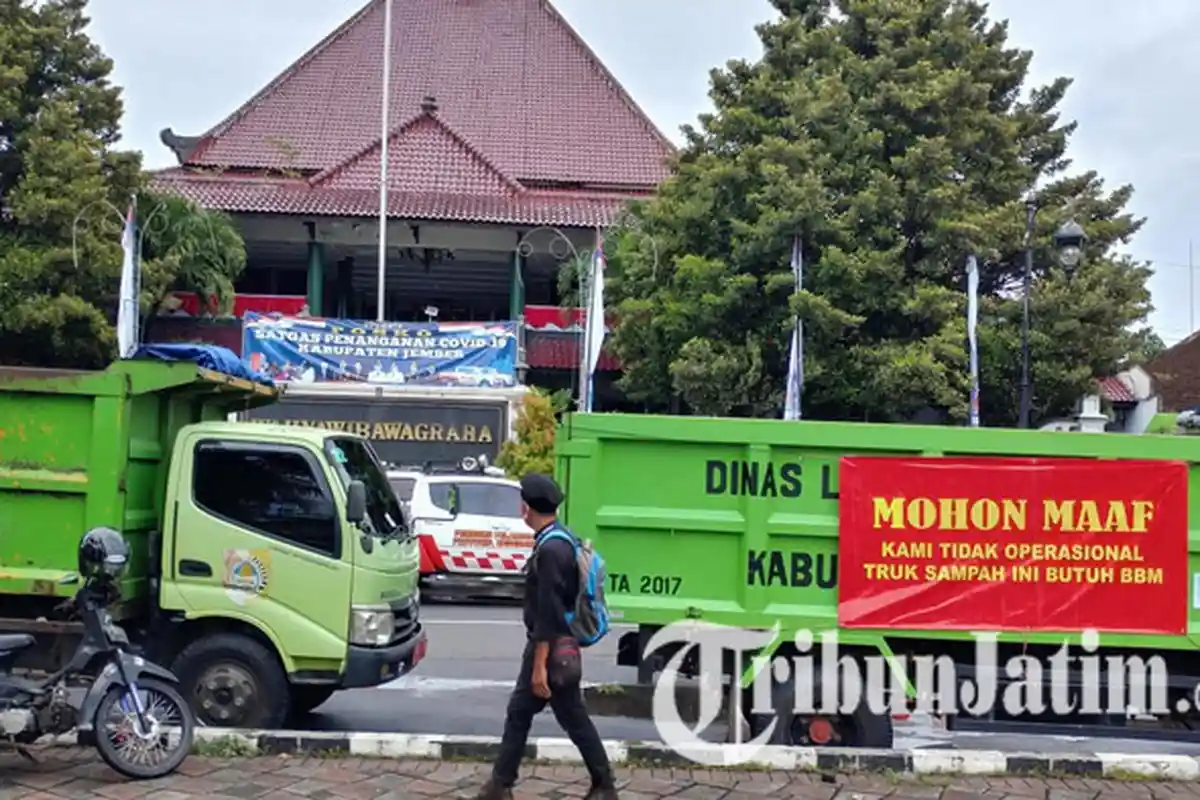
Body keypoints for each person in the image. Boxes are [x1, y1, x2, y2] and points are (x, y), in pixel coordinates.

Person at [474, 473, 617, 800]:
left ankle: (502, 786)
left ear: (526, 508)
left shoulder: (551, 549)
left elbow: (549, 613)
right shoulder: (560, 538)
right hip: (559, 646)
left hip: (550, 650)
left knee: (537, 714)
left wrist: (539, 667)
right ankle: (501, 785)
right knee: (550, 714)